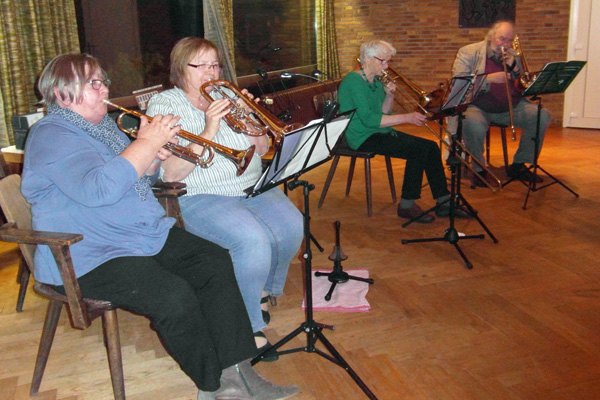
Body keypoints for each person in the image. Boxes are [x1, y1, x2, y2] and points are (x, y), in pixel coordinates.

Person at [21, 53, 299, 400]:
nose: (104, 88)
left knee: (213, 260)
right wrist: (146, 143)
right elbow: (100, 189)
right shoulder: (52, 134)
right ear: (61, 94)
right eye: (93, 83)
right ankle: (215, 386)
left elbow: (139, 179)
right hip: (88, 252)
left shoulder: (103, 126)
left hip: (136, 234)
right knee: (172, 295)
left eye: (103, 80)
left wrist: (153, 158)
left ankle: (240, 370)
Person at [146, 37, 303, 358]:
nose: (211, 72)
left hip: (252, 185)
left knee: (292, 227)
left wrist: (250, 118)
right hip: (200, 194)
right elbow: (171, 173)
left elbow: (262, 148)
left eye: (215, 65)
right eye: (201, 65)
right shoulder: (164, 105)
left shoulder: (226, 96)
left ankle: (261, 290)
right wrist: (209, 127)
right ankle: (246, 326)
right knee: (252, 241)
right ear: (181, 68)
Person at [337, 39, 470, 224]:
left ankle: (444, 201)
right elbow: (369, 120)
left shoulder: (375, 81)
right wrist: (407, 117)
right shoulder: (353, 81)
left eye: (388, 61)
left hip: (377, 131)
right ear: (366, 58)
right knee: (417, 150)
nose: (386, 66)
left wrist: (389, 95)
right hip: (360, 136)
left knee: (431, 146)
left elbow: (383, 113)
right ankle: (406, 205)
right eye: (382, 61)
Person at [449, 20, 550, 187]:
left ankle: (519, 165)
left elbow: (524, 84)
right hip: (477, 106)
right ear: (491, 37)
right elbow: (459, 81)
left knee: (541, 115)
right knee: (473, 124)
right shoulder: (469, 52)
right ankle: (478, 169)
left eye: (509, 40)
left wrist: (514, 67)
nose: (506, 45)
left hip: (511, 106)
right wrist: (487, 79)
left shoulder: (514, 55)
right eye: (502, 39)